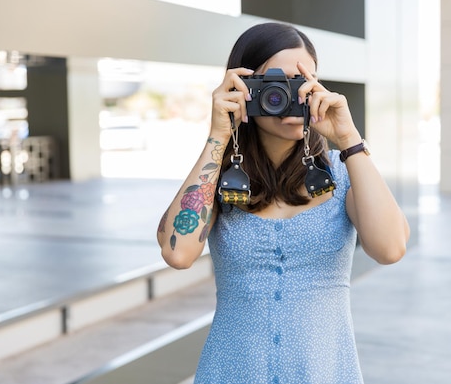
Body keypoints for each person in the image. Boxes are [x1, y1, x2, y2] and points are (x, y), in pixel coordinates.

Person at [156, 22, 410, 384]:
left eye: (302, 81)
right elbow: (177, 253)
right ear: (243, 89)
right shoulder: (218, 178)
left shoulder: (343, 173)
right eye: (276, 82)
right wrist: (217, 136)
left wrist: (349, 138)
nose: (291, 96)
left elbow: (391, 248)